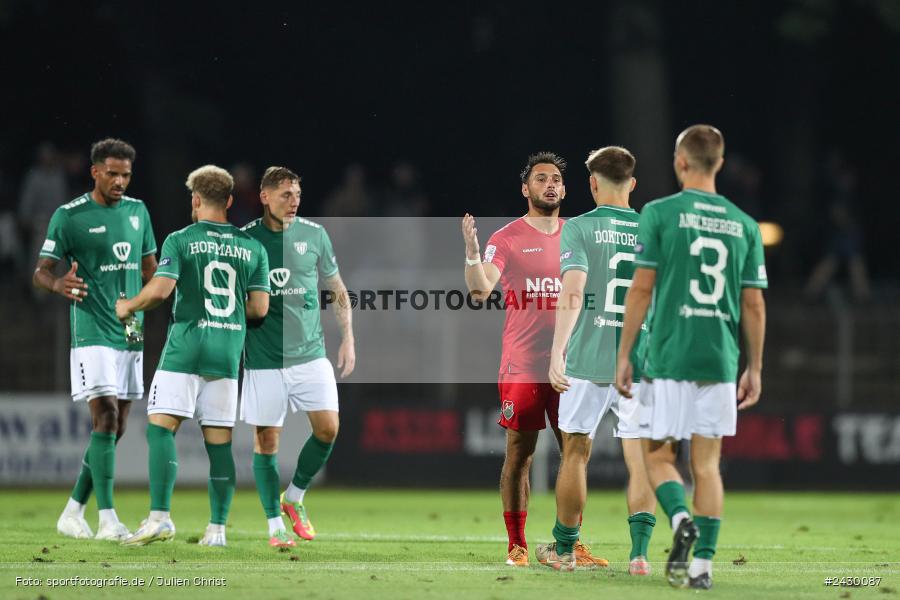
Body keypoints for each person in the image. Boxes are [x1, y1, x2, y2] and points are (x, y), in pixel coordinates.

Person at [615, 125, 767, 590]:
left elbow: (641, 289)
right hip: (719, 359)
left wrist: (625, 355)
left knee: (658, 454)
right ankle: (702, 567)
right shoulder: (744, 224)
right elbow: (754, 304)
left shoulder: (659, 213)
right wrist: (755, 366)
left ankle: (680, 517)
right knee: (707, 464)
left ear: (681, 163)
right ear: (719, 163)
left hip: (668, 357)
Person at [461, 152, 606, 568]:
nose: (550, 184)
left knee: (575, 451)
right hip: (523, 364)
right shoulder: (505, 238)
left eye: (556, 179)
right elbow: (480, 289)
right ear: (526, 189)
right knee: (520, 453)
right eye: (541, 179)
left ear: (565, 189)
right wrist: (472, 254)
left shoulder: (578, 234)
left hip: (571, 363)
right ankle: (517, 544)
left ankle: (570, 542)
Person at [117, 165, 270, 547]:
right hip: (227, 351)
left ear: (196, 200)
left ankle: (160, 518)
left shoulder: (181, 240)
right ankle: (217, 530)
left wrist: (127, 306)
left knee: (160, 428)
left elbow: (160, 291)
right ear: (230, 201)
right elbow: (259, 309)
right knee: (219, 443)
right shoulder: (253, 247)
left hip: (186, 348)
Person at [536, 147, 655, 574]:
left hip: (587, 359)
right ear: (633, 184)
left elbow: (573, 291)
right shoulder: (652, 229)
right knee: (639, 456)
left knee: (575, 453)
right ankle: (639, 554)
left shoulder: (580, 228)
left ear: (591, 183)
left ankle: (565, 551)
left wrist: (557, 352)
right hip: (641, 363)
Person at [33, 138, 157, 541]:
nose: (120, 181)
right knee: (103, 417)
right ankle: (108, 520)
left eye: (126, 174)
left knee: (117, 426)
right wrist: (57, 284)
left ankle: (73, 511)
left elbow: (151, 270)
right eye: (113, 173)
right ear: (95, 172)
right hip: (91, 330)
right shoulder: (69, 217)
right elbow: (41, 271)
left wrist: (155, 294)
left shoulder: (139, 212)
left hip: (130, 328)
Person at [241, 166, 355, 548]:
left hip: (310, 355)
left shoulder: (314, 235)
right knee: (267, 441)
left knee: (328, 429)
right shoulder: (246, 240)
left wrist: (348, 338)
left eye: (297, 195)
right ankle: (275, 527)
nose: (293, 202)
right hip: (264, 358)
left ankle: (294, 498)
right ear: (264, 197)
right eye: (285, 195)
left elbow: (337, 288)